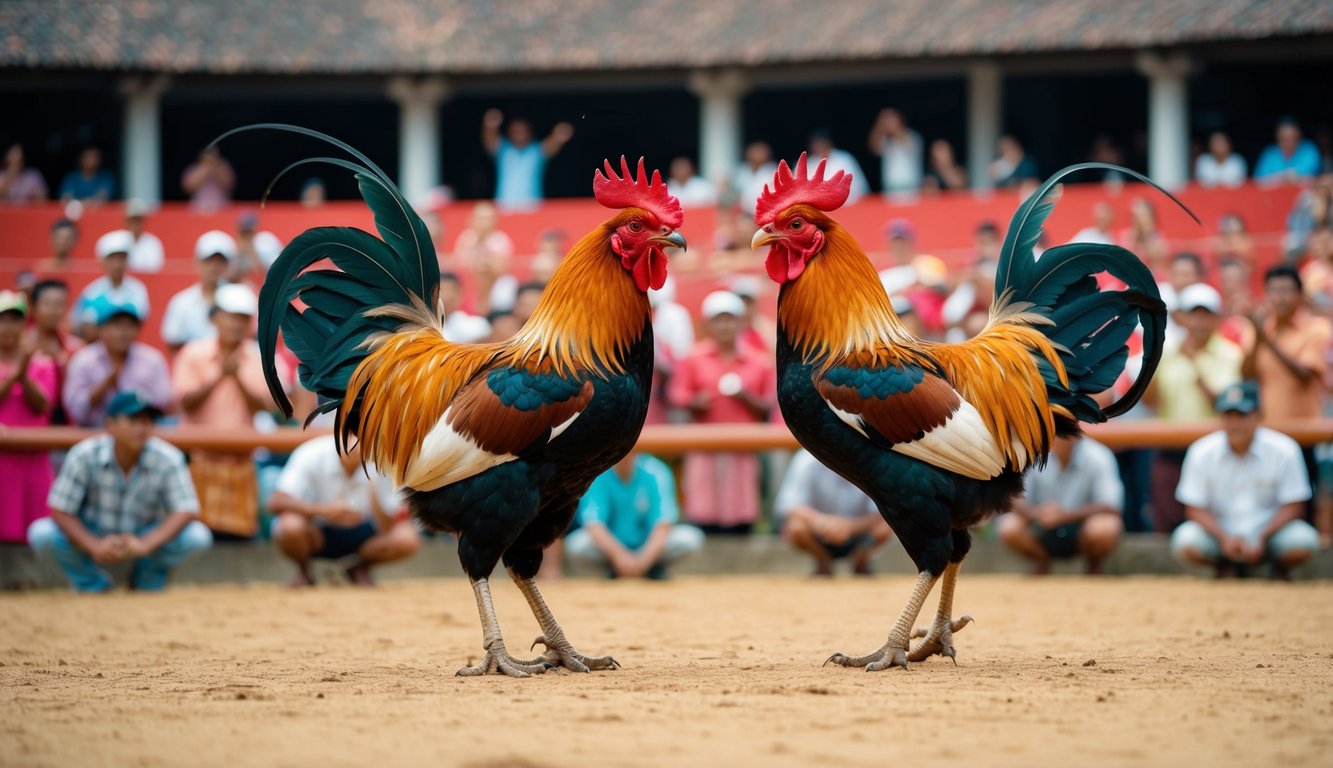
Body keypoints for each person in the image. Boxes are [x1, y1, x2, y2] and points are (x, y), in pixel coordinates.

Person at [28, 391, 212, 592]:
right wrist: (93, 544)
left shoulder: (168, 457)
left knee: (197, 536)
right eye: (133, 420)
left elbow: (186, 510)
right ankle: (92, 584)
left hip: (144, 535)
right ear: (110, 424)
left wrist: (146, 544)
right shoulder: (84, 454)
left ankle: (146, 579)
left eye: (148, 420)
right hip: (92, 531)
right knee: (42, 533)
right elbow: (60, 510)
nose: (142, 427)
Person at [1171, 381, 1318, 579]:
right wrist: (1224, 539)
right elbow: (1194, 508)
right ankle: (1225, 566)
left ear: (1258, 415)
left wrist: (1262, 537)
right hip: (1220, 534)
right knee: (1186, 541)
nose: (1234, 422)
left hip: (1270, 533)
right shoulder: (1201, 451)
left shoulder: (1284, 449)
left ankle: (1274, 566)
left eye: (1241, 415)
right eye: (1228, 415)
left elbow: (1293, 505)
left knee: (1304, 541)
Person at [172, 284, 286, 538]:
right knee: (196, 531)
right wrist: (220, 375)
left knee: (241, 535)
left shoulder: (259, 356)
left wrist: (237, 379)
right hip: (199, 458)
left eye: (242, 319)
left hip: (241, 461)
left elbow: (266, 407)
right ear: (215, 318)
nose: (236, 324)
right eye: (231, 317)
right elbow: (185, 402)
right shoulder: (193, 353)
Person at [667, 291, 775, 534]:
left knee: (741, 504)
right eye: (719, 320)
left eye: (730, 319)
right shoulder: (693, 358)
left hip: (743, 447)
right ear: (708, 325)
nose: (725, 326)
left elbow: (768, 406)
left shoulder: (759, 362)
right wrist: (695, 402)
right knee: (703, 503)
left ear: (741, 322)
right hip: (704, 444)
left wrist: (745, 397)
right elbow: (676, 395)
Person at [1143, 283, 1242, 534]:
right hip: (1169, 448)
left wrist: (1193, 361)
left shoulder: (1231, 354)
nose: (1199, 321)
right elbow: (1150, 402)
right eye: (1193, 314)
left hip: (1214, 451)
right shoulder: (1164, 352)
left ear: (1217, 318)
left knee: (1216, 519)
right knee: (1165, 517)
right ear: (1181, 317)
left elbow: (1225, 405)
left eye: (1206, 314)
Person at [1240, 265, 1331, 522]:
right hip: (1265, 434)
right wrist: (1259, 336)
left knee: (1305, 504)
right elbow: (1247, 376)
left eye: (1287, 290)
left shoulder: (1317, 329)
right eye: (1274, 290)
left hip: (1305, 433)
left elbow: (1303, 375)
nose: (1280, 297)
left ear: (1300, 295)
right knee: (1267, 506)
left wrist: (1263, 336)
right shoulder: (1257, 330)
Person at [268, 435, 420, 587]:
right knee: (289, 526)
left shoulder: (384, 459)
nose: (354, 444)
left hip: (366, 533)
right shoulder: (311, 453)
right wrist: (321, 511)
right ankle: (305, 571)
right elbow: (275, 501)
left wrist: (376, 499)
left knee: (406, 537)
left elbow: (394, 519)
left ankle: (360, 568)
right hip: (316, 531)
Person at [997, 434, 1124, 575]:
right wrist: (1037, 514)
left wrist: (1064, 516)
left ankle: (1093, 564)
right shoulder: (1034, 453)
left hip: (1081, 527)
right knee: (1009, 526)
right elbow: (1013, 497)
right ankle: (1041, 561)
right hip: (1042, 525)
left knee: (1105, 527)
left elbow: (1111, 505)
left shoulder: (1098, 455)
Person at [564, 452, 703, 579]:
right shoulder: (599, 473)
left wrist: (643, 561)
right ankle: (616, 568)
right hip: (613, 549)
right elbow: (594, 524)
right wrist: (620, 558)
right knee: (576, 544)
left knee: (690, 538)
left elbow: (664, 523)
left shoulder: (656, 471)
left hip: (649, 546)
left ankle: (651, 568)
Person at [776, 449, 893, 577]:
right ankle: (823, 561)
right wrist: (821, 521)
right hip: (819, 532)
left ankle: (860, 560)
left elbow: (884, 511)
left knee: (885, 526)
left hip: (858, 534)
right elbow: (789, 505)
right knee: (796, 527)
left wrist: (849, 526)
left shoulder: (869, 460)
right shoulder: (807, 458)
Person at [0, 290, 57, 544]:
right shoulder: (32, 362)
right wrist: (16, 374)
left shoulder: (42, 363)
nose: (9, 327)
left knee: (36, 520)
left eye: (15, 319)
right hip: (3, 458)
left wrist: (23, 374)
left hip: (33, 456)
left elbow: (44, 405)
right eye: (3, 319)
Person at [63, 302, 171, 427]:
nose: (124, 332)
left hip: (142, 431)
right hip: (93, 432)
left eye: (130, 325)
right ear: (100, 329)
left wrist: (135, 402)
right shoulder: (83, 361)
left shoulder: (152, 359)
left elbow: (164, 403)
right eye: (117, 325)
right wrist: (105, 385)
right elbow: (76, 412)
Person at [481, 109, 573, 211]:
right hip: (504, 207)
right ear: (509, 133)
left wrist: (560, 134)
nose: (519, 134)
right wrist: (490, 126)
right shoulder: (503, 149)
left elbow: (553, 143)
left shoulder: (536, 151)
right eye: (515, 131)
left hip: (532, 207)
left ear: (529, 132)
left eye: (522, 131)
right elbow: (489, 138)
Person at [161, 230, 236, 353]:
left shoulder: (240, 300)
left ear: (228, 265)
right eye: (209, 261)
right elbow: (174, 345)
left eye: (220, 261)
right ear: (197, 262)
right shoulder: (181, 302)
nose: (214, 267)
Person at [71, 230, 151, 340]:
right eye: (112, 259)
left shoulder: (138, 289)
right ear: (102, 262)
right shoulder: (91, 292)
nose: (117, 264)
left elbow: (139, 322)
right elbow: (86, 330)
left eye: (122, 258)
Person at [22, 279, 80, 424]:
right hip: (28, 422)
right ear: (33, 307)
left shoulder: (76, 348)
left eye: (60, 304)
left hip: (66, 424)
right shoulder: (21, 348)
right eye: (48, 304)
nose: (54, 311)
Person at [453, 202, 514, 315]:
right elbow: (461, 265)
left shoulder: (501, 240)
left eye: (489, 218)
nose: (485, 222)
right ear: (472, 219)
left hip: (494, 289)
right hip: (469, 287)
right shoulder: (466, 238)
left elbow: (501, 268)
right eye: (481, 218)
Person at [867, 108, 923, 196]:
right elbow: (873, 147)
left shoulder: (913, 137)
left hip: (912, 188)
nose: (889, 124)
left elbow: (908, 146)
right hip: (890, 189)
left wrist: (895, 127)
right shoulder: (886, 141)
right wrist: (879, 126)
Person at [1254, 118, 1322, 185]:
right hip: (1273, 194)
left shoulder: (1309, 150)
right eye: (1284, 139)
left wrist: (1292, 177)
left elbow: (1313, 177)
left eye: (1292, 138)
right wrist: (1282, 177)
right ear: (1277, 137)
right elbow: (1258, 181)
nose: (1288, 143)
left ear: (1299, 136)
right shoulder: (1269, 154)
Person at [808, 130, 868, 203]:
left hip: (847, 205)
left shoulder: (844, 159)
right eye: (816, 144)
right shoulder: (809, 163)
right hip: (819, 207)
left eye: (822, 143)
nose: (819, 146)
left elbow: (859, 187)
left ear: (829, 143)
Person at [230, 211, 283, 283]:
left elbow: (276, 272)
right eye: (243, 231)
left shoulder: (266, 240)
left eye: (248, 231)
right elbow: (232, 278)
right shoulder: (234, 246)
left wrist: (251, 250)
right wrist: (238, 253)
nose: (246, 234)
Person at [438, 272, 490, 343]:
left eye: (451, 290)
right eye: (442, 291)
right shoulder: (424, 328)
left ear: (460, 294)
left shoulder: (478, 324)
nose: (447, 296)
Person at [181, 146, 235, 213]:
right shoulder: (193, 168)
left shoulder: (224, 166)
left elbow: (229, 184)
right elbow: (188, 188)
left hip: (222, 207)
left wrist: (215, 166)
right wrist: (205, 167)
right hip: (198, 207)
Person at [733, 141, 777, 216]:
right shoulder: (742, 170)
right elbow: (737, 193)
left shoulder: (773, 171)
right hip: (745, 214)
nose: (756, 155)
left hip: (765, 213)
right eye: (754, 151)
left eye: (760, 151)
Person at [123, 199, 163, 272]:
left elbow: (156, 268)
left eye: (139, 220)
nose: (136, 223)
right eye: (133, 220)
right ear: (127, 221)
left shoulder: (153, 242)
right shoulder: (119, 241)